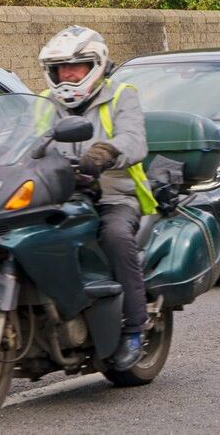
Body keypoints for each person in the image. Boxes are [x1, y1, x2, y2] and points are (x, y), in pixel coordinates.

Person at [40, 25, 155, 370]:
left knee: (116, 238)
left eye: (76, 66)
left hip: (113, 195)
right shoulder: (45, 104)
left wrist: (106, 151)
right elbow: (22, 141)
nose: (67, 75)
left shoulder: (122, 95)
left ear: (97, 65)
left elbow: (136, 140)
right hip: (57, 194)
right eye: (61, 69)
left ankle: (135, 327)